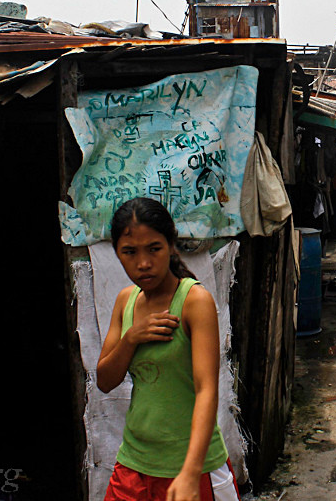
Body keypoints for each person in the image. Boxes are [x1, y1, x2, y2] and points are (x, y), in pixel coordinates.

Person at [96, 197, 238, 501]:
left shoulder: (193, 301)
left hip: (192, 469)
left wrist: (189, 472)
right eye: (130, 252)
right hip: (134, 466)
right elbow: (105, 380)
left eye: (154, 249)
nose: (143, 263)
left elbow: (206, 390)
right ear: (118, 254)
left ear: (171, 244)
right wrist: (131, 338)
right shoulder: (126, 301)